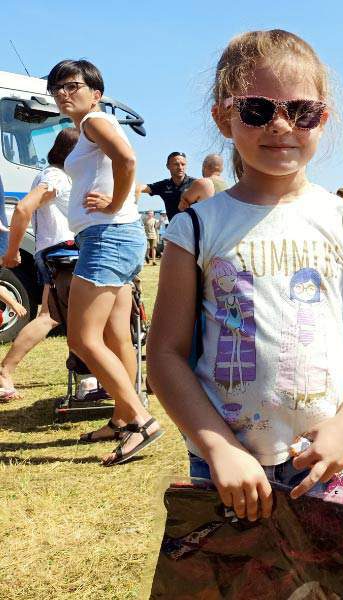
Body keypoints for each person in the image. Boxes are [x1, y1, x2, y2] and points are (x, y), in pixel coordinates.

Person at [147, 29, 343, 522]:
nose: (280, 125)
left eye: (302, 111)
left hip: (329, 460)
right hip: (229, 467)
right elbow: (165, 355)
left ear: (324, 118)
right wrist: (219, 448)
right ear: (223, 116)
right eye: (257, 110)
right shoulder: (194, 228)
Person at [47, 59, 162, 464]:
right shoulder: (87, 129)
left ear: (95, 93)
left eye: (72, 85)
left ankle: (141, 421)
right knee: (116, 337)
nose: (62, 93)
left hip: (107, 237)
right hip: (113, 237)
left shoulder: (95, 121)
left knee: (82, 338)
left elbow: (126, 160)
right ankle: (121, 419)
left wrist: (114, 204)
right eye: (57, 88)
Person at [0, 128, 79, 400]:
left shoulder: (50, 174)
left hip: (55, 251)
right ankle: (5, 371)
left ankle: (6, 371)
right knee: (56, 316)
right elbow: (23, 208)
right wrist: (12, 252)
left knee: (51, 316)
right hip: (63, 252)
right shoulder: (56, 177)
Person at [136, 152, 196, 221]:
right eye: (176, 164)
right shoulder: (165, 185)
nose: (180, 167)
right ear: (168, 166)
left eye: (183, 164)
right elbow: (144, 188)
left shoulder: (196, 184)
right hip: (173, 226)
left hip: (194, 226)